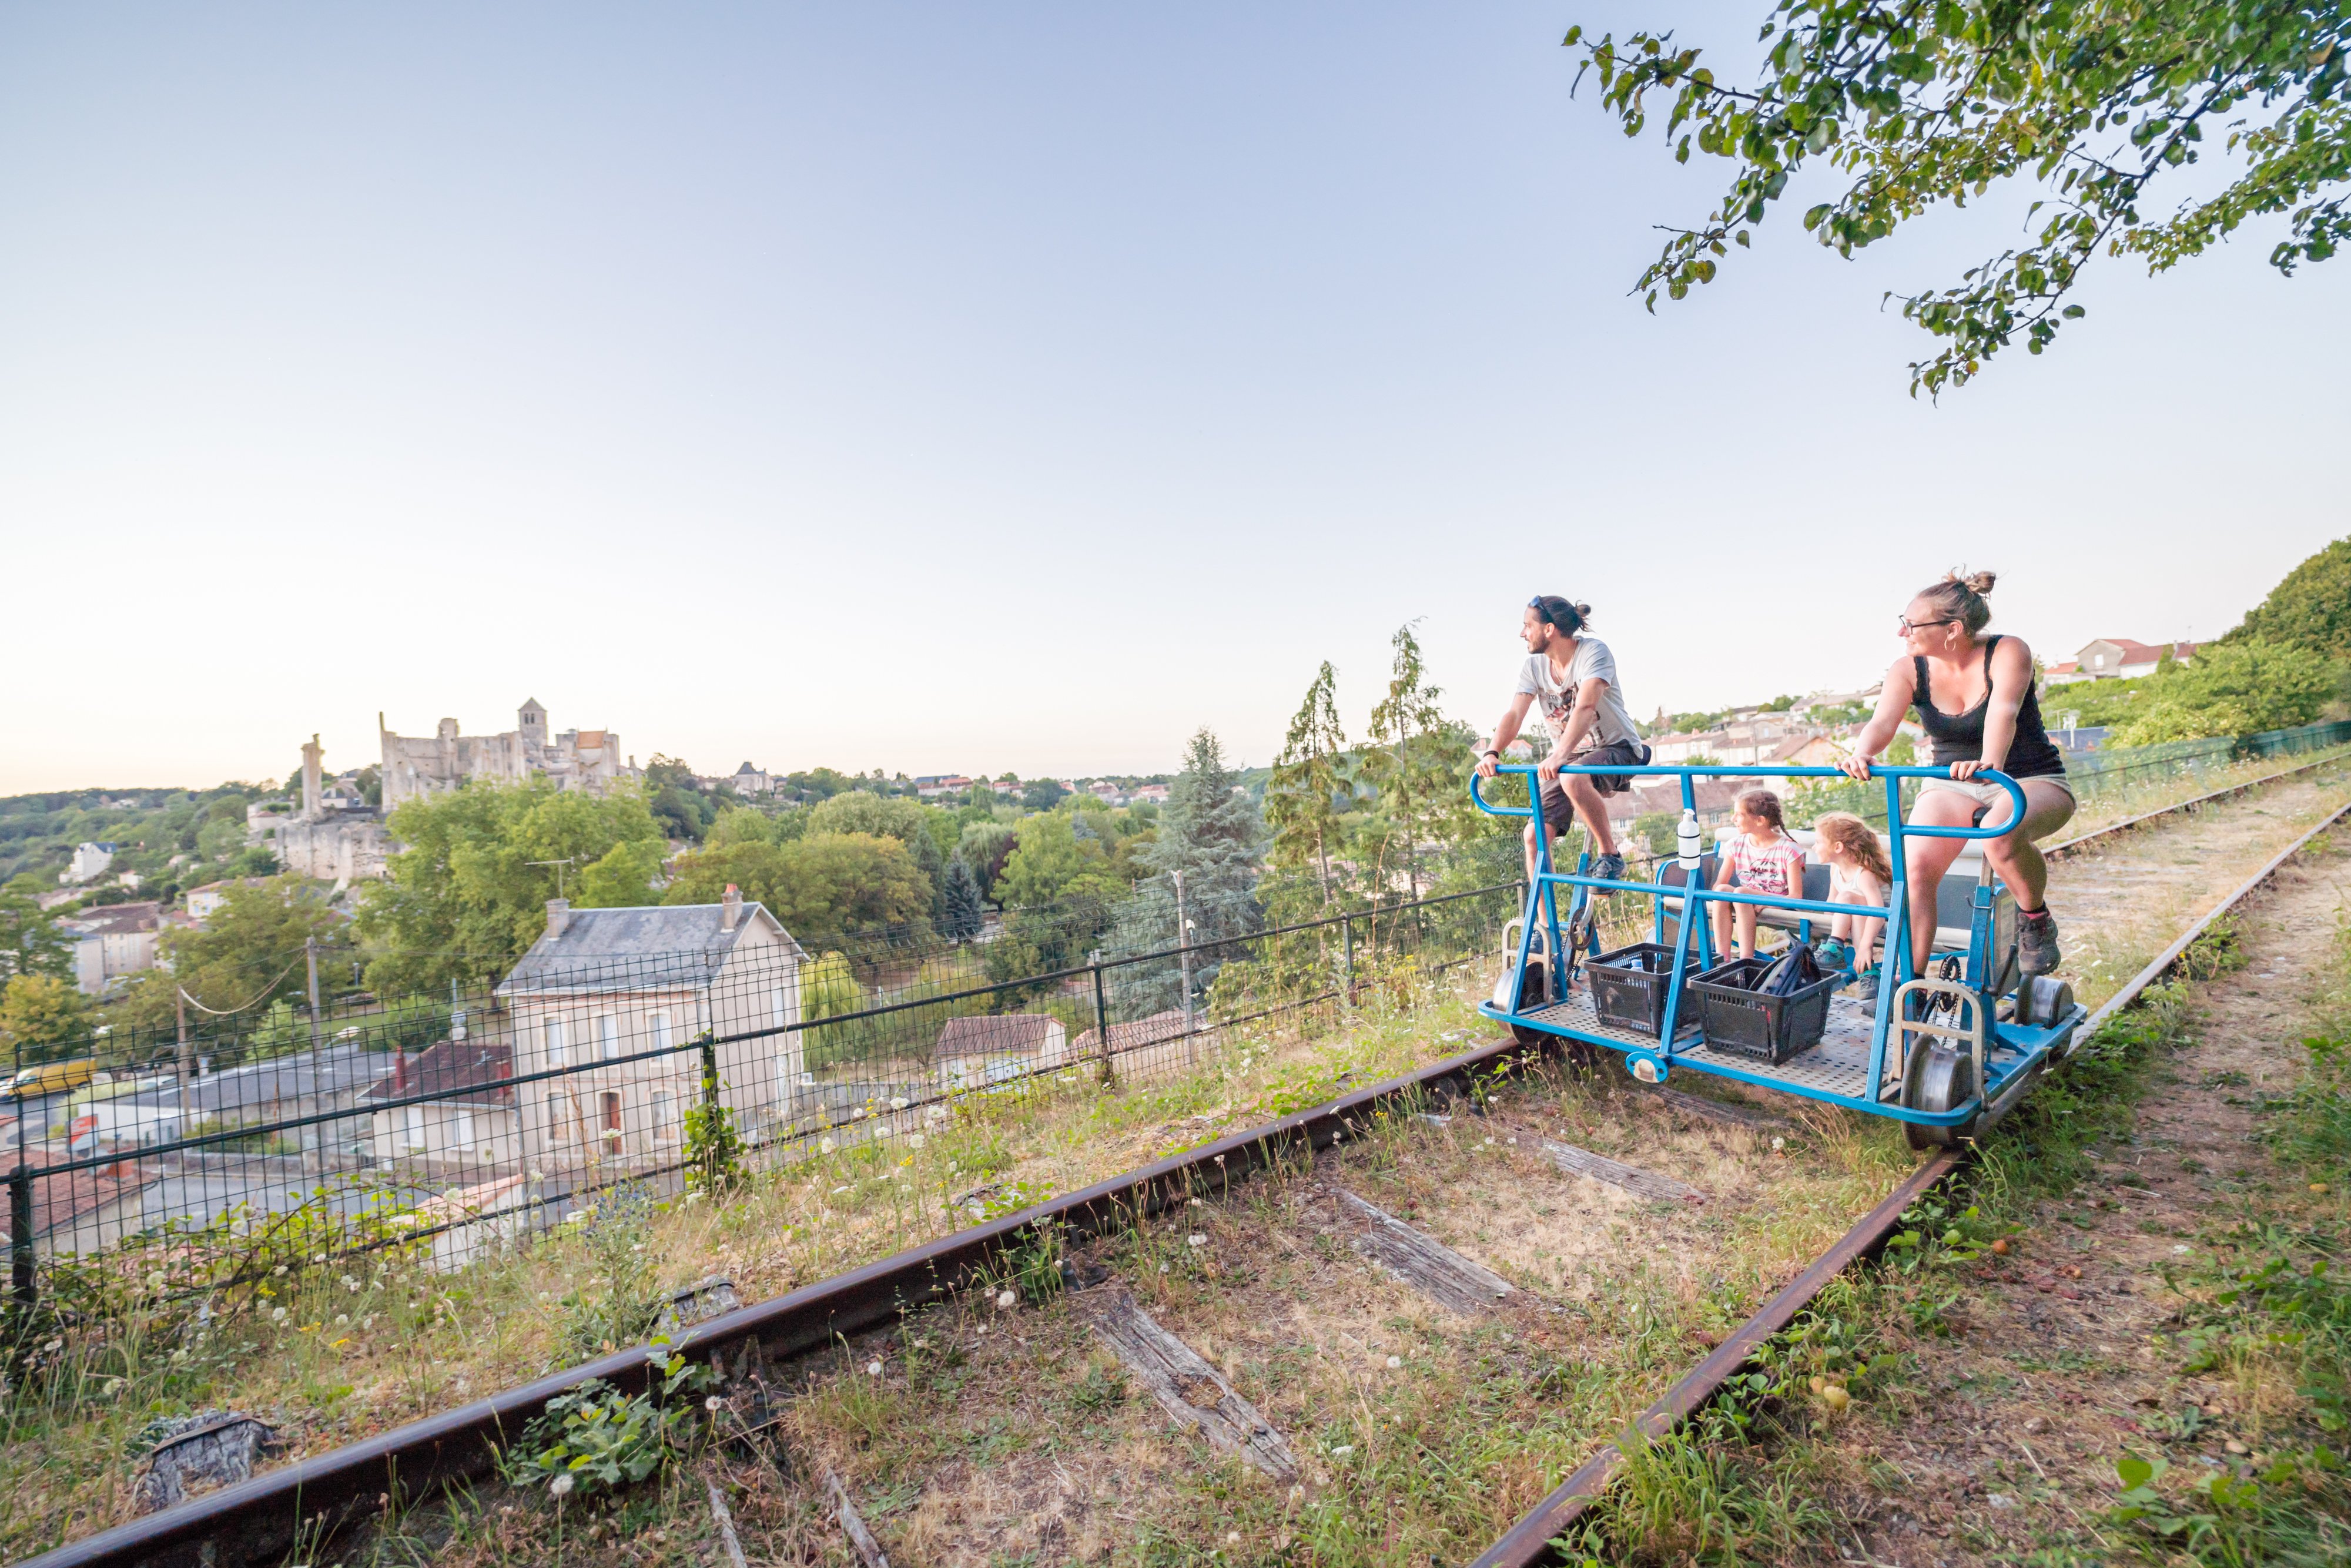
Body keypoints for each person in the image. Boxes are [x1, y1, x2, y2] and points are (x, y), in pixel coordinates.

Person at [1840, 570, 2074, 976]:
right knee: (1915, 873)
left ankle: (2035, 919)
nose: (1902, 632)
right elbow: (1882, 724)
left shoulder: (2008, 651)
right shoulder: (1908, 669)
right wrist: (1861, 753)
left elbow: (2004, 710)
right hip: (1952, 783)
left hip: (2029, 779)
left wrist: (1991, 763)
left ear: (1953, 629)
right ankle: (1906, 986)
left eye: (1911, 625)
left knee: (2000, 837)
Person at [1475, 595, 1650, 889]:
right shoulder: (1534, 668)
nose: (1522, 634)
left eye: (1527, 626)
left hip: (1619, 749)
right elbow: (1515, 713)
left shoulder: (1593, 652)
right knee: (1534, 837)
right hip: (1570, 758)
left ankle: (1610, 855)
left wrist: (1559, 755)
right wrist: (1492, 752)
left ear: (1549, 630)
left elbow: (1585, 707)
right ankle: (1544, 929)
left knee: (1574, 778)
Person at [1710, 789, 1804, 961]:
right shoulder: (1735, 845)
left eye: (1739, 815)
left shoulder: (1788, 850)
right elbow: (1718, 885)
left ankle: (1747, 959)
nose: (1733, 819)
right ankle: (1722, 958)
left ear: (1760, 820)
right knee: (1723, 890)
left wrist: (1773, 904)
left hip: (1776, 902)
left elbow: (1796, 897)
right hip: (1744, 900)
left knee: (1741, 893)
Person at [1810, 810, 1891, 1001]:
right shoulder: (1836, 869)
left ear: (1838, 847)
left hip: (1882, 915)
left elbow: (1878, 911)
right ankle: (1867, 973)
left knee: (1848, 899)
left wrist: (1866, 946)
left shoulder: (1864, 874)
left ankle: (1835, 947)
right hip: (1860, 916)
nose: (1814, 847)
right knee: (1849, 904)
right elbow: (1832, 902)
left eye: (1818, 842)